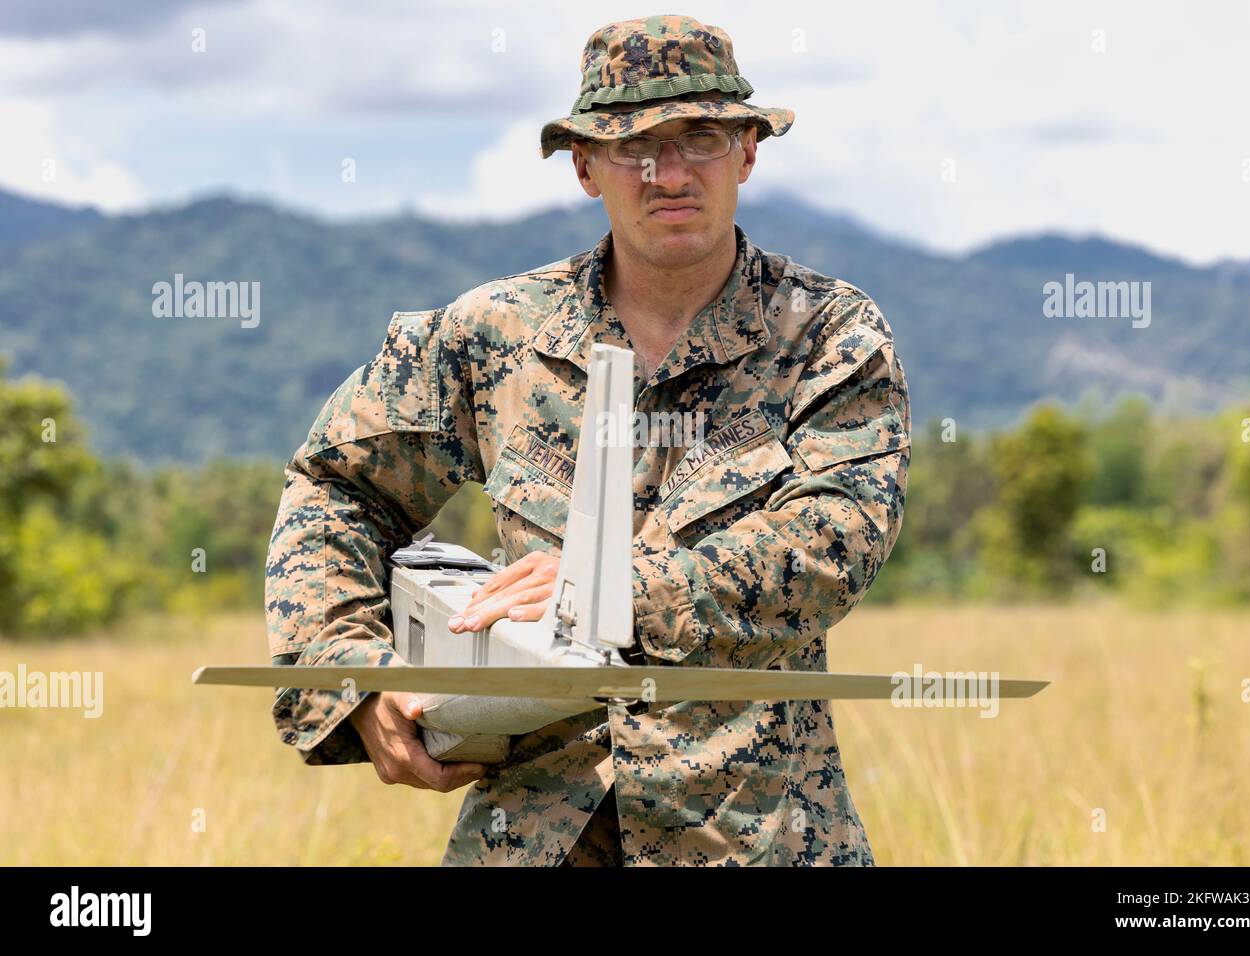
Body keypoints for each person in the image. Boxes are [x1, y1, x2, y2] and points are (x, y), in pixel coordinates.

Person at [264, 14, 910, 866]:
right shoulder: (493, 336)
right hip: (533, 838)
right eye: (634, 145)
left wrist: (609, 589)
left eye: (701, 139)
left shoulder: (828, 335)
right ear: (583, 166)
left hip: (756, 837)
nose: (669, 172)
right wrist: (355, 676)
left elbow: (837, 537)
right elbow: (335, 487)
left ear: (748, 153)